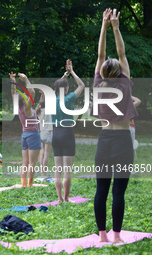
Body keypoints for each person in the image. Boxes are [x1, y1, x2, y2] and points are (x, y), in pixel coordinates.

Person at [92, 8, 138, 243]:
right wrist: (116, 27)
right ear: (120, 73)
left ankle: (102, 236)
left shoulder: (99, 84)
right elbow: (121, 54)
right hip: (122, 142)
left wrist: (104, 27)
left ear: (101, 73)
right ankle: (117, 237)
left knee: (102, 191)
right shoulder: (125, 84)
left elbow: (101, 56)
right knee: (118, 192)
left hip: (104, 141)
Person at [51, 59, 85, 202]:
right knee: (67, 170)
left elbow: (56, 88)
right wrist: (71, 72)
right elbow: (81, 85)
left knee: (58, 169)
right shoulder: (69, 98)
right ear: (65, 88)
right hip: (67, 133)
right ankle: (66, 198)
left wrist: (64, 77)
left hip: (55, 134)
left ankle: (59, 199)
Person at [10, 71, 40, 187]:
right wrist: (26, 79)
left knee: (25, 162)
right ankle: (30, 185)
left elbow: (13, 93)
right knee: (32, 162)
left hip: (25, 136)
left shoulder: (19, 107)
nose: (27, 95)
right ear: (23, 99)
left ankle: (23, 184)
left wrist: (13, 82)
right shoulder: (27, 107)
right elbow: (32, 91)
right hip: (33, 135)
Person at [35, 93, 53, 175]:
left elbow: (40, 103)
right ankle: (44, 172)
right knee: (46, 153)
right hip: (48, 132)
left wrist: (42, 95)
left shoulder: (38, 111)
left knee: (42, 152)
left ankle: (41, 169)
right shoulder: (49, 111)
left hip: (41, 132)